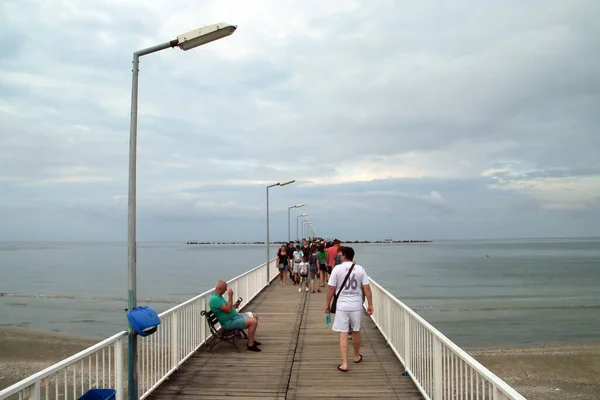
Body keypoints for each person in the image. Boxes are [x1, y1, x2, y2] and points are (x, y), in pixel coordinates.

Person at [325, 246, 373, 372]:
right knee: (356, 331)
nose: (339, 256)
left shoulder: (337, 269)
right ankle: (356, 356)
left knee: (343, 333)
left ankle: (345, 363)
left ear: (344, 256)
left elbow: (331, 289)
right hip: (356, 305)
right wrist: (370, 304)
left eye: (341, 255)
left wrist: (327, 304)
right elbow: (366, 288)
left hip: (342, 305)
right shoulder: (360, 269)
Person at [209, 280, 262, 352]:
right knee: (253, 321)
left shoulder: (218, 296)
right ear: (220, 288)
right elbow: (228, 310)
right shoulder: (215, 299)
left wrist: (234, 306)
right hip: (229, 322)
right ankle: (250, 345)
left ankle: (251, 340)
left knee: (254, 316)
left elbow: (227, 308)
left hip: (234, 317)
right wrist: (230, 296)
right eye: (225, 289)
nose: (225, 291)